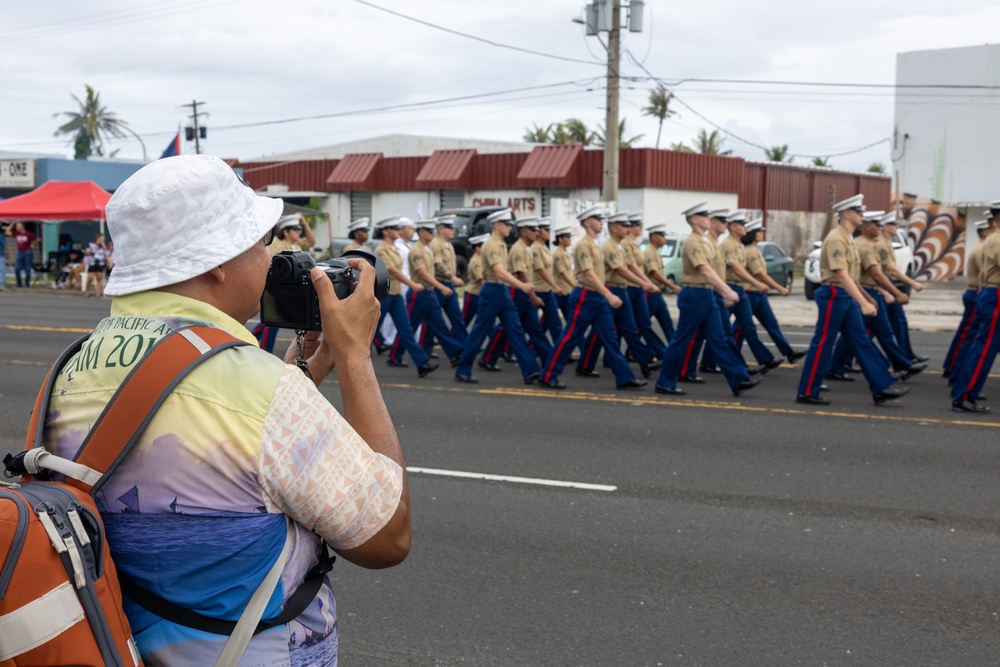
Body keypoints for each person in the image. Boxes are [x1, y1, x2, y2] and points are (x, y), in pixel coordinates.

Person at [39, 154, 410, 665]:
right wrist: (353, 357)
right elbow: (387, 538)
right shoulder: (258, 389)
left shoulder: (70, 368)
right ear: (217, 263)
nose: (271, 257)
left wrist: (298, 376)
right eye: (260, 243)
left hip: (117, 646)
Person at [795, 194, 908, 406]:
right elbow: (841, 274)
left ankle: (881, 387)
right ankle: (808, 391)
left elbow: (852, 277)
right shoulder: (837, 238)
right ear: (847, 214)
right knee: (823, 343)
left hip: (844, 295)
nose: (862, 216)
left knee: (861, 342)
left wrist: (866, 298)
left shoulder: (848, 237)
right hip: (834, 295)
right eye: (859, 212)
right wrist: (864, 303)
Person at [653, 202, 758, 397]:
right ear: (694, 220)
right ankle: (665, 382)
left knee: (719, 339)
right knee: (681, 341)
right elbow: (705, 270)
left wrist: (719, 292)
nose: (709, 219)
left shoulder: (705, 241)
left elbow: (713, 271)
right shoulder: (693, 241)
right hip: (695, 294)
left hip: (707, 294)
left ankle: (737, 380)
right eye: (704, 216)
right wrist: (726, 290)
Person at [538, 206, 646, 390]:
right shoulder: (584, 245)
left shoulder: (595, 244)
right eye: (597, 219)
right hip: (585, 296)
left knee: (610, 338)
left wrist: (604, 295)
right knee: (570, 337)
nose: (600, 221)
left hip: (597, 297)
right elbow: (589, 274)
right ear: (588, 223)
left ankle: (624, 377)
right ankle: (548, 375)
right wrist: (608, 294)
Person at [825, 211, 927, 382]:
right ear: (866, 226)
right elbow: (876, 274)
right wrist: (895, 292)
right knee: (855, 335)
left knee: (881, 332)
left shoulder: (870, 244)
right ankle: (836, 367)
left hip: (872, 292)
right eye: (877, 225)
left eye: (882, 225)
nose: (880, 228)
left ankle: (903, 365)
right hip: (866, 291)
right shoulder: (863, 245)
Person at [454, 208, 542, 384]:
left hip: (501, 290)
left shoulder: (501, 244)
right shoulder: (491, 245)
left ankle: (531, 371)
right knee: (479, 332)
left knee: (515, 330)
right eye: (507, 224)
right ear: (497, 225)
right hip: (492, 290)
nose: (510, 228)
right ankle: (463, 369)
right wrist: (522, 286)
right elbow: (499, 271)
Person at [575, 211, 658, 379]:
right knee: (601, 332)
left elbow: (630, 267)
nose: (628, 229)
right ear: (613, 228)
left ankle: (645, 360)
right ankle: (584, 364)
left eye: (628, 225)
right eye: (623, 225)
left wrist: (645, 283)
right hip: (610, 290)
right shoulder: (608, 246)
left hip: (622, 290)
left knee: (629, 329)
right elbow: (620, 269)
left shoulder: (619, 246)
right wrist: (644, 283)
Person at [387, 220, 463, 367]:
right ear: (421, 232)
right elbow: (422, 273)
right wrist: (441, 286)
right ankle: (395, 355)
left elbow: (435, 267)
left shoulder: (429, 249)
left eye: (432, 231)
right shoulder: (416, 250)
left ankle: (454, 353)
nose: (432, 234)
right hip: (419, 294)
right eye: (429, 231)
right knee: (409, 327)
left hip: (429, 293)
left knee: (439, 325)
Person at [480, 218, 551, 370]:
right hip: (518, 292)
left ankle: (547, 362)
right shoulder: (518, 248)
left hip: (522, 291)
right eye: (532, 230)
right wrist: (532, 295)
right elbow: (521, 274)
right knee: (506, 329)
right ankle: (487, 357)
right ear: (523, 231)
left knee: (530, 329)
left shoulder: (527, 248)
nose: (536, 233)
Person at [951, 198, 1000, 413]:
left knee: (982, 346)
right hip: (996, 294)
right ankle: (964, 396)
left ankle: (964, 392)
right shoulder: (997, 240)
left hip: (990, 293)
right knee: (984, 348)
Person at [373, 216, 438, 377]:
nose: (398, 231)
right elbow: (393, 271)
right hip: (384, 294)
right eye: (395, 229)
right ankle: (340, 358)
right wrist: (412, 284)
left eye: (398, 228)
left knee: (406, 330)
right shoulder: (382, 249)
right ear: (386, 231)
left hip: (396, 295)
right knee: (369, 329)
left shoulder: (394, 249)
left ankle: (422, 363)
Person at [718, 210, 783, 372]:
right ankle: (710, 362)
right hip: (730, 287)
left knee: (748, 327)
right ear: (732, 227)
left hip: (739, 288)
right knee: (721, 329)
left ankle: (764, 359)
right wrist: (757, 283)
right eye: (741, 224)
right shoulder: (727, 245)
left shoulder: (739, 245)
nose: (744, 227)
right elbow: (737, 269)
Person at [738, 217, 804, 363]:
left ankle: (788, 352)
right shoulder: (750, 251)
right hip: (751, 293)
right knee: (741, 329)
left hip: (758, 294)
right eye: (759, 231)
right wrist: (780, 288)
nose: (762, 233)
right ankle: (732, 358)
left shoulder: (755, 250)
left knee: (771, 324)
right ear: (752, 234)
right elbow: (760, 274)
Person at [251, 215, 316, 353]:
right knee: (273, 322)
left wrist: (304, 223)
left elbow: (312, 241)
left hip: (296, 292)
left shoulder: (298, 245)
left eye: (299, 229)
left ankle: (252, 338)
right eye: (295, 229)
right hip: (281, 291)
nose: (298, 232)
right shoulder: (279, 247)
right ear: (286, 232)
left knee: (291, 320)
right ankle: (264, 351)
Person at [943, 216, 993, 380]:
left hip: (977, 293)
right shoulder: (982, 249)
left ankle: (953, 368)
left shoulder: (983, 247)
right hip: (976, 293)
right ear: (985, 232)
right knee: (970, 336)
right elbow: (984, 275)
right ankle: (955, 370)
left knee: (969, 335)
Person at [880, 216, 927, 364]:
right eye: (893, 224)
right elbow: (891, 270)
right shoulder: (881, 244)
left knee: (898, 321)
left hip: (887, 284)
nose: (896, 227)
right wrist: (912, 283)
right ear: (885, 227)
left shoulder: (887, 244)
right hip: (883, 286)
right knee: (870, 328)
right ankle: (841, 361)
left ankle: (906, 356)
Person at [421, 215, 467, 356]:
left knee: (456, 317)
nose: (453, 229)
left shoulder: (448, 244)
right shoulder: (436, 244)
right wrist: (453, 277)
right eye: (450, 227)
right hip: (439, 283)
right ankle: (425, 348)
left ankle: (465, 347)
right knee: (434, 319)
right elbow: (438, 265)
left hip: (449, 284)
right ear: (441, 230)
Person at [642, 222, 680, 343]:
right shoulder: (649, 252)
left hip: (658, 293)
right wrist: (672, 286)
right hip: (651, 293)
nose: (665, 238)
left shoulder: (655, 252)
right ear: (653, 237)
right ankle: (633, 351)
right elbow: (654, 273)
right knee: (643, 323)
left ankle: (673, 351)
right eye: (662, 235)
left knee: (667, 322)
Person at [531, 217, 565, 343]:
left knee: (555, 322)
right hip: (537, 290)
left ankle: (559, 350)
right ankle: (508, 348)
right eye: (546, 230)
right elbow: (541, 269)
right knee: (529, 324)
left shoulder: (544, 247)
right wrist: (555, 285)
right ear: (538, 231)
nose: (548, 232)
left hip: (547, 291)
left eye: (549, 229)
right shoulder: (535, 248)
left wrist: (552, 286)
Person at [463, 233, 488, 325]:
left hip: (480, 295)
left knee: (486, 322)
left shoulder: (483, 259)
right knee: (464, 321)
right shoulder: (476, 261)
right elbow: (482, 280)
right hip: (473, 295)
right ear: (477, 248)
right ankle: (453, 338)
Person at [551, 223, 576, 316]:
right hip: (559, 291)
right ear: (560, 239)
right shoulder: (558, 254)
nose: (570, 239)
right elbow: (563, 273)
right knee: (550, 317)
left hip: (567, 291)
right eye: (567, 237)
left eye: (570, 237)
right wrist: (574, 285)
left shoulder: (566, 253)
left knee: (570, 317)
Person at [6, 221, 39, 288]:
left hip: (28, 252)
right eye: (16, 227)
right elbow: (7, 232)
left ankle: (27, 284)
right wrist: (12, 223)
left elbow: (38, 239)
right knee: (17, 269)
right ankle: (19, 283)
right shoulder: (16, 234)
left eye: (18, 226)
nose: (17, 228)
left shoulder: (28, 234)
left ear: (22, 227)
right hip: (20, 252)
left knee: (27, 269)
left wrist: (33, 244)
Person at [84, 233, 109, 298]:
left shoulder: (103, 247)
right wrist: (89, 253)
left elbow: (106, 254)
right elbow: (85, 251)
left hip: (100, 263)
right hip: (92, 263)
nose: (103, 240)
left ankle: (98, 293)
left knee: (99, 277)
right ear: (98, 238)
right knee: (90, 278)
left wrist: (109, 261)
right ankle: (87, 290)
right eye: (102, 238)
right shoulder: (91, 245)